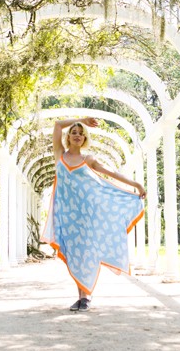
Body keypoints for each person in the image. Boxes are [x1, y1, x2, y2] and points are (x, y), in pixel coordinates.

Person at [41, 116, 146, 312]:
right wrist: (81, 120)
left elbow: (111, 174)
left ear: (85, 138)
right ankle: (81, 295)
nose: (78, 136)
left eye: (81, 134)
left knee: (86, 252)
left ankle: (85, 296)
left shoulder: (87, 159)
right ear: (68, 137)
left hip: (87, 214)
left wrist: (135, 184)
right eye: (74, 133)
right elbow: (57, 125)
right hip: (67, 217)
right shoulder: (59, 155)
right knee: (74, 254)